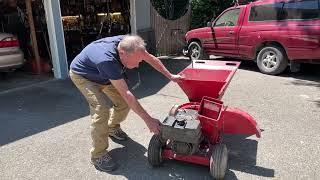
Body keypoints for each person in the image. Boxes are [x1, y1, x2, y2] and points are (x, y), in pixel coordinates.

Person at [69, 35, 181, 172]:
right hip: (84, 76)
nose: (138, 64)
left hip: (105, 75)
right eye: (137, 61)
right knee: (102, 108)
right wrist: (149, 120)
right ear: (122, 53)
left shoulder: (132, 44)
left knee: (123, 103)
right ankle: (98, 155)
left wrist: (170, 76)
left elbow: (151, 58)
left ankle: (112, 127)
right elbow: (127, 94)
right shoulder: (107, 60)